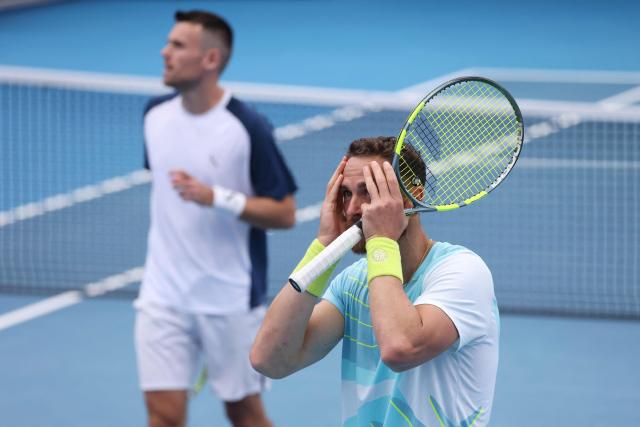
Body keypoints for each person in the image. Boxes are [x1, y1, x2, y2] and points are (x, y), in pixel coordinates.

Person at [251, 136, 499, 426]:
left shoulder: (462, 272)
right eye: (345, 194)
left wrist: (382, 240)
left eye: (368, 193)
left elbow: (400, 347)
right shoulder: (354, 283)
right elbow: (270, 359)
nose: (352, 209)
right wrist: (324, 247)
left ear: (411, 199)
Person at [134, 10, 297, 427]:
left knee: (244, 414)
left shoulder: (247, 127)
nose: (164, 52)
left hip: (228, 299)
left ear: (210, 60)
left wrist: (216, 198)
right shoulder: (154, 116)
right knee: (162, 417)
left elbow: (284, 213)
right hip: (162, 295)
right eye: (168, 43)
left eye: (177, 45)